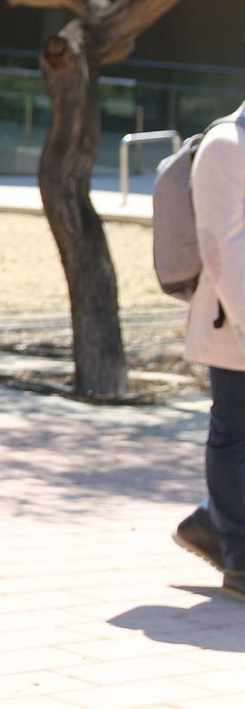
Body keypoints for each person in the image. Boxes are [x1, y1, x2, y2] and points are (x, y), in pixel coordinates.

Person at [172, 104, 245, 601]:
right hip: (232, 322)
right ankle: (239, 557)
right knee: (234, 435)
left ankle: (208, 519)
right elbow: (225, 250)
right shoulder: (228, 145)